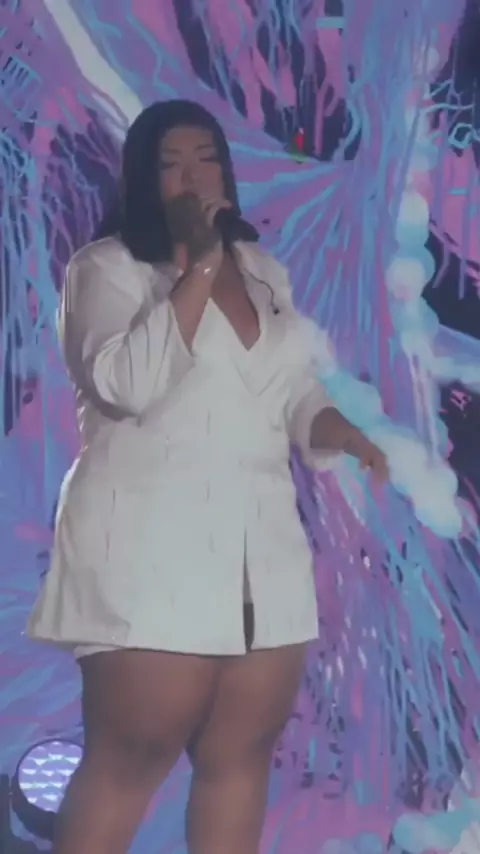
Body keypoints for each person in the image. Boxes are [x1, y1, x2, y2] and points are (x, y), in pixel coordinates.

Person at [27, 99, 388, 854]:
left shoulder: (262, 270)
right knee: (130, 758)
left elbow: (290, 391)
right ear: (142, 178)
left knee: (239, 762)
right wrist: (194, 266)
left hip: (263, 558)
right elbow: (126, 384)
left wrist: (340, 430)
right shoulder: (105, 269)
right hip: (148, 553)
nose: (193, 177)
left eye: (207, 159)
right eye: (171, 164)